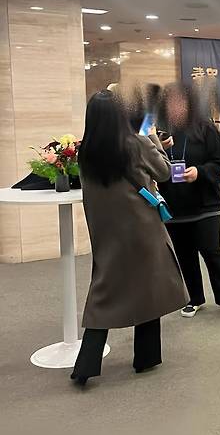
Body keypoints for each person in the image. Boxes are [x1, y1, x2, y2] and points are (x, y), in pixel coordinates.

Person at [71, 90, 188, 386]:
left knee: (103, 291)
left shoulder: (86, 152)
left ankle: (86, 365)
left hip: (106, 231)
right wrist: (152, 137)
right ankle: (146, 357)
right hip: (141, 229)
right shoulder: (136, 143)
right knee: (149, 286)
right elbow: (164, 173)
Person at [158, 81, 220, 319]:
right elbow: (150, 162)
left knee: (211, 250)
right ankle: (194, 298)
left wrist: (199, 172)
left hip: (205, 204)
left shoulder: (205, 128)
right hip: (174, 204)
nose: (175, 106)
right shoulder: (161, 132)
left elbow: (218, 162)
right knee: (184, 254)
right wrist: (158, 146)